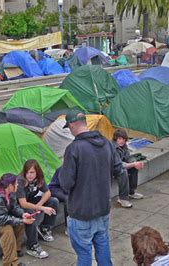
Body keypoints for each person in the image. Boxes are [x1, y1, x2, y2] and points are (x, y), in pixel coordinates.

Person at [59, 109, 124, 265]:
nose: (70, 131)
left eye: (69, 127)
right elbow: (118, 169)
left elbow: (66, 183)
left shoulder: (74, 149)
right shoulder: (107, 143)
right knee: (103, 248)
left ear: (73, 125)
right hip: (102, 208)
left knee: (84, 253)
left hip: (81, 212)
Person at [16, 159, 58, 259]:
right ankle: (32, 246)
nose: (29, 175)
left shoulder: (39, 178)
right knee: (30, 212)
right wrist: (42, 208)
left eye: (32, 172)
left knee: (54, 201)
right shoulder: (20, 181)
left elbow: (48, 193)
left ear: (37, 172)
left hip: (33, 201)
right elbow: (23, 203)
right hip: (18, 207)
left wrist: (40, 204)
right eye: (27, 172)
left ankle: (44, 229)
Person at [112, 129, 145, 203]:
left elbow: (128, 158)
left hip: (117, 166)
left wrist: (136, 163)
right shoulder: (112, 148)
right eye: (120, 139)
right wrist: (133, 164)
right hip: (109, 169)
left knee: (134, 167)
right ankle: (122, 198)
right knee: (122, 171)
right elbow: (118, 164)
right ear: (115, 139)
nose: (122, 141)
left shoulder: (124, 146)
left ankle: (131, 192)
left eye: (124, 139)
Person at [48, 167, 69, 234]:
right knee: (68, 199)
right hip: (56, 189)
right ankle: (68, 227)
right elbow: (65, 186)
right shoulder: (62, 170)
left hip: (67, 190)